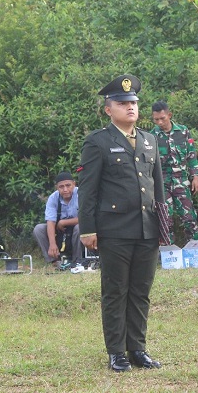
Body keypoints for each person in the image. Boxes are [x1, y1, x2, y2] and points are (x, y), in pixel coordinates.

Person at [78, 74, 164, 372]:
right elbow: (88, 190)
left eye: (134, 103)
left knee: (141, 290)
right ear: (108, 109)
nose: (130, 107)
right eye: (123, 103)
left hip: (147, 228)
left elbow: (158, 187)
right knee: (116, 291)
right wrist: (87, 229)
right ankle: (116, 352)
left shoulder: (150, 140)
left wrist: (163, 225)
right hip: (114, 230)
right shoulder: (98, 142)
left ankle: (137, 349)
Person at [151, 101, 198, 244]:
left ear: (169, 115)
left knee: (189, 216)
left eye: (163, 118)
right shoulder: (152, 136)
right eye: (156, 119)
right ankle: (168, 252)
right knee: (165, 218)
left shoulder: (183, 131)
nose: (160, 122)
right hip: (162, 182)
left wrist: (195, 177)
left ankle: (195, 249)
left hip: (182, 180)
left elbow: (191, 155)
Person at [33, 171, 83, 265]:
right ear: (57, 187)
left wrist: (63, 222)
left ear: (74, 184)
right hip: (60, 232)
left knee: (80, 227)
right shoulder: (53, 198)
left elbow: (86, 218)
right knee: (38, 229)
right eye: (61, 187)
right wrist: (52, 244)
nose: (65, 189)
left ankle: (77, 261)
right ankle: (54, 260)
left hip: (77, 229)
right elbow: (50, 221)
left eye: (68, 185)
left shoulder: (81, 194)